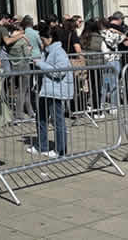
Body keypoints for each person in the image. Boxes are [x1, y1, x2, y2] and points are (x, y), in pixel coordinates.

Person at [28, 25, 73, 158]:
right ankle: (42, 146)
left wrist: (40, 64)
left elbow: (59, 72)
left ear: (50, 38)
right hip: (45, 90)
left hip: (55, 91)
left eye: (43, 40)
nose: (41, 43)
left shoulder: (59, 52)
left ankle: (60, 150)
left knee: (57, 120)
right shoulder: (47, 51)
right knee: (41, 117)